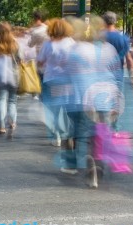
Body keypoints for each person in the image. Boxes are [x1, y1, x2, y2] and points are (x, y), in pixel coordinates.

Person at [64, 17, 123, 188]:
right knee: (100, 134)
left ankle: (82, 161)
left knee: (81, 134)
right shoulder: (109, 49)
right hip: (105, 98)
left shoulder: (76, 49)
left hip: (82, 99)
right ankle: (96, 163)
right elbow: (117, 76)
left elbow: (69, 76)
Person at [37, 18, 75, 148]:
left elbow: (40, 61)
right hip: (67, 80)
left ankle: (55, 135)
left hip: (51, 79)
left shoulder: (48, 44)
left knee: (52, 110)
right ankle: (64, 133)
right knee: (64, 108)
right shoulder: (71, 43)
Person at [0, 22, 22, 137]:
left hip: (0, 75)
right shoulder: (15, 44)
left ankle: (2, 125)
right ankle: (13, 122)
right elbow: (20, 59)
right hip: (14, 75)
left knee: (1, 99)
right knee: (12, 101)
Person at [28, 10, 49, 100]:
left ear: (35, 18)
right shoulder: (47, 28)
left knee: (40, 76)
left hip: (40, 56)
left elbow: (30, 44)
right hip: (49, 56)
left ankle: (42, 95)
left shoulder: (35, 31)